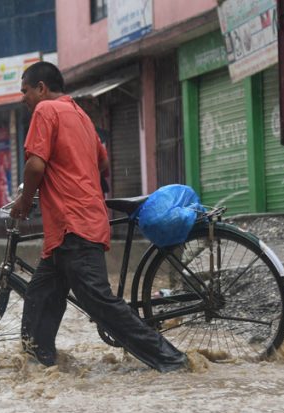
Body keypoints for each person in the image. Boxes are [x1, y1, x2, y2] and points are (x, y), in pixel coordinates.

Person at [10, 61, 188, 373]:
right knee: (41, 295)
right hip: (76, 224)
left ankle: (173, 360)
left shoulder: (46, 110)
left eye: (25, 91)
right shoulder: (81, 116)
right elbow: (102, 165)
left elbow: (36, 166)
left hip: (72, 223)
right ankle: (40, 366)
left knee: (99, 303)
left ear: (41, 88)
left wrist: (25, 202)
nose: (22, 98)